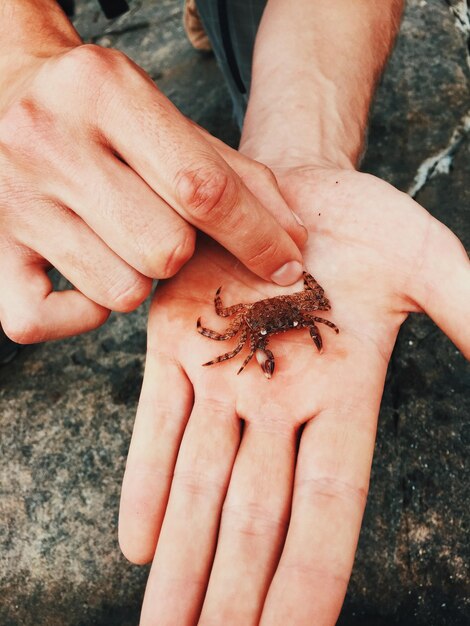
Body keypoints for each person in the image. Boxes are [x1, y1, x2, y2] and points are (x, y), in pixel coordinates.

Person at [1, 1, 469, 625]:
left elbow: (303, 321)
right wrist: (16, 58)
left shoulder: (302, 313)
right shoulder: (264, 325)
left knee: (250, 41)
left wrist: (297, 153)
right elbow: (231, 322)